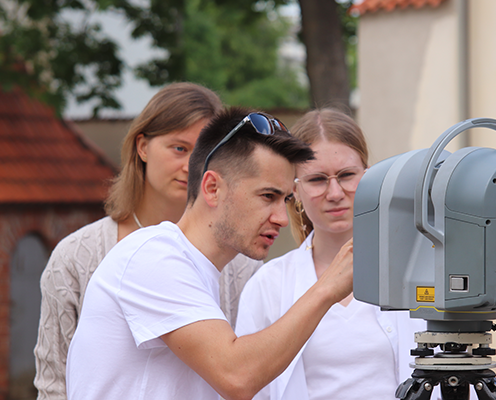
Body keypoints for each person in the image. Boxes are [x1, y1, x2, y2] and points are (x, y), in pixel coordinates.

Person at [65, 107, 355, 400]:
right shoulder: (154, 257)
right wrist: (327, 289)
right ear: (212, 188)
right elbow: (236, 376)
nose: (282, 216)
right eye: (268, 196)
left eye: (286, 199)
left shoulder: (193, 268)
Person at [33, 83, 262, 400]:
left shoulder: (241, 265)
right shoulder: (76, 256)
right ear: (142, 146)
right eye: (179, 149)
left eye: (204, 154)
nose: (191, 166)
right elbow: (54, 384)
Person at [235, 108, 426, 400]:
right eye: (317, 179)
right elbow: (247, 387)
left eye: (347, 175)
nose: (335, 192)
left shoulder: (417, 272)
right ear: (294, 190)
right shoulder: (268, 286)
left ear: (369, 177)